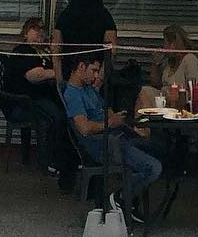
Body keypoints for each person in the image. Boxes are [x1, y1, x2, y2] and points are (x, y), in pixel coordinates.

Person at [61, 50, 162, 222]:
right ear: (81, 67)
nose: (96, 76)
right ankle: (120, 197)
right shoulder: (73, 94)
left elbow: (105, 108)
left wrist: (120, 121)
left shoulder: (89, 89)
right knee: (153, 168)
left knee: (159, 147)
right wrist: (109, 123)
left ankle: (130, 201)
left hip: (118, 134)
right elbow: (84, 128)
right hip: (105, 144)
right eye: (93, 70)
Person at [5, 18, 75, 190]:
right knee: (56, 117)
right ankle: (50, 161)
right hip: (24, 101)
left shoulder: (43, 51)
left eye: (42, 29)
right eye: (35, 29)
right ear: (25, 33)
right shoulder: (23, 51)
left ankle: (66, 157)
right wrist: (58, 72)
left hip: (44, 96)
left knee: (68, 113)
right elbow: (34, 76)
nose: (40, 32)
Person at [54, 0, 118, 82]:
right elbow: (112, 52)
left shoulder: (65, 16)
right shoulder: (105, 17)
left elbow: (56, 49)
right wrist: (100, 80)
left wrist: (59, 79)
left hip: (70, 74)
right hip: (95, 73)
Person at [137, 25, 198, 112]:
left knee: (172, 95)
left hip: (181, 101)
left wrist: (177, 92)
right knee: (144, 91)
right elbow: (155, 83)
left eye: (167, 43)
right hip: (164, 99)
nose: (165, 47)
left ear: (175, 44)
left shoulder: (189, 59)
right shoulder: (168, 62)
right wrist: (155, 63)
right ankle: (142, 120)